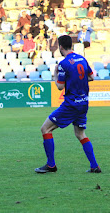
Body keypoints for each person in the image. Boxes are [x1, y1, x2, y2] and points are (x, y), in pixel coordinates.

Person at [35, 35, 101, 173]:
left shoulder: (63, 64)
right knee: (80, 134)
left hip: (71, 104)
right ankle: (94, 166)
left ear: (60, 47)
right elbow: (91, 77)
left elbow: (59, 87)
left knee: (45, 129)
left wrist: (55, 73)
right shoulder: (82, 59)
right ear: (71, 45)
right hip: (83, 102)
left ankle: (51, 165)